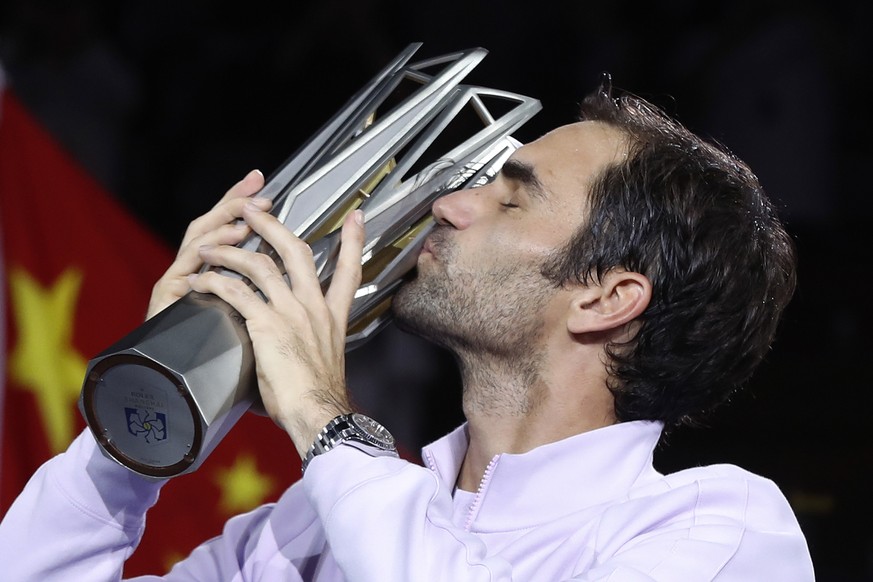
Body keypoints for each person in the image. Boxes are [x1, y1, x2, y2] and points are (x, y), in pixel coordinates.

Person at [0, 78, 814, 580]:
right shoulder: (313, 525)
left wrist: (324, 418)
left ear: (606, 298)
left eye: (511, 197)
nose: (449, 204)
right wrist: (149, 417)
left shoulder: (722, 531)